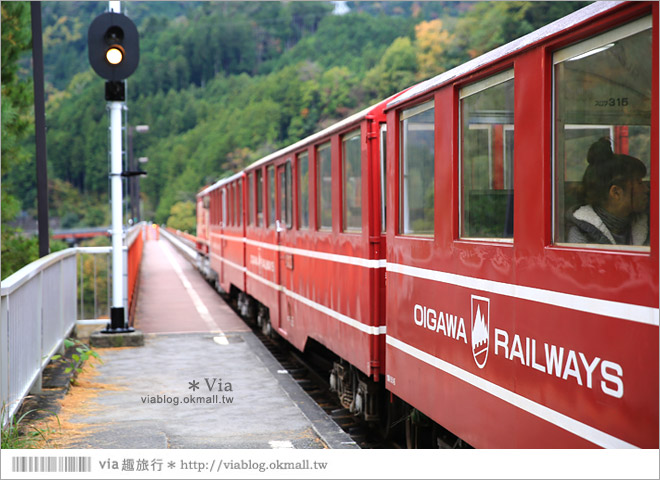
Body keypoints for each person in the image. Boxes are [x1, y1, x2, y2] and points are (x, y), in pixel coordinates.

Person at [566, 137, 649, 245]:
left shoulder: (647, 226)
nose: (646, 189)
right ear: (616, 193)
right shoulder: (580, 236)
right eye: (639, 183)